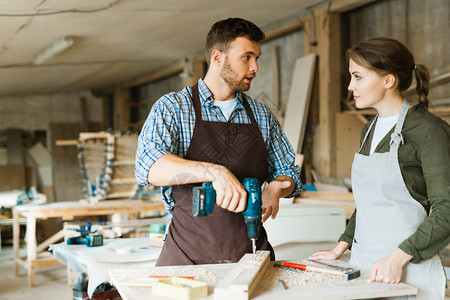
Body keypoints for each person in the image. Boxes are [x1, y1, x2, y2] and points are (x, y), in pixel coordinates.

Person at [135, 18, 301, 266]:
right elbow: (149, 167)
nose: (255, 67)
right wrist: (215, 172)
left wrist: (277, 188)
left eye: (257, 57)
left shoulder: (262, 116)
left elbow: (290, 174)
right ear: (217, 57)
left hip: (251, 258)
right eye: (247, 57)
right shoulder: (173, 108)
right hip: (186, 259)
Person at [310, 37, 449, 299]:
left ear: (388, 80)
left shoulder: (429, 131)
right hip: (363, 267)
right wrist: (340, 248)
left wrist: (398, 258)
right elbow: (368, 204)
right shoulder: (368, 130)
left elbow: (447, 209)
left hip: (408, 271)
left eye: (358, 77)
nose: (350, 86)